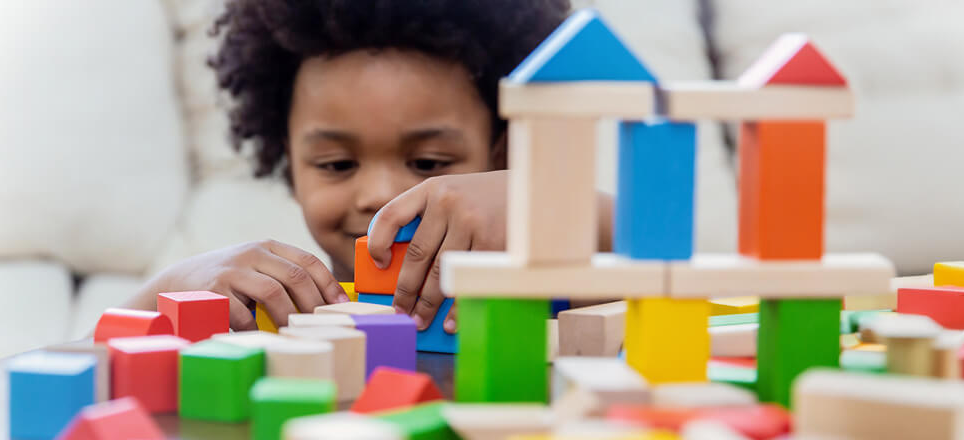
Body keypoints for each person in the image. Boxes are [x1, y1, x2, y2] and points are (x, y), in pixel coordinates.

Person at [125, 0, 614, 333]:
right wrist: (162, 293)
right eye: (337, 164)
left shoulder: (551, 284)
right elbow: (85, 380)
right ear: (290, 165)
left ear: (500, 156)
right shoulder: (264, 306)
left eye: (427, 162)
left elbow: (670, 265)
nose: (380, 195)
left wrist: (551, 204)